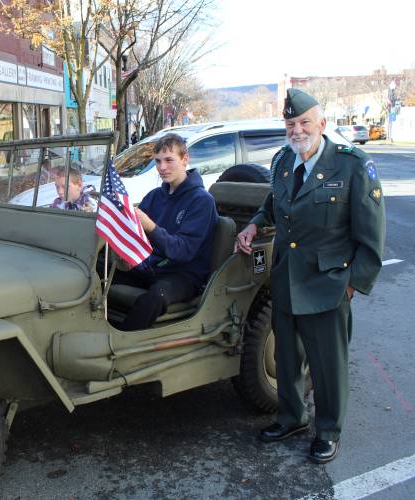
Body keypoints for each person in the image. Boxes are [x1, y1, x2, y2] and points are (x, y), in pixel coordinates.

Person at [235, 88, 385, 464]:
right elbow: (274, 201)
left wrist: (353, 283)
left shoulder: (351, 165)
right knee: (287, 357)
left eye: (304, 122)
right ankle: (292, 417)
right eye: (290, 124)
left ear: (322, 124)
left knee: (327, 364)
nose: (297, 130)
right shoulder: (284, 160)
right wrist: (255, 225)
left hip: (329, 282)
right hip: (286, 278)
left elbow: (371, 234)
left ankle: (329, 430)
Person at [112, 133, 218, 331]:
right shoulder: (155, 196)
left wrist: (150, 227)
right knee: (99, 276)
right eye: (158, 161)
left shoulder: (202, 201)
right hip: (152, 266)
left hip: (184, 274)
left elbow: (184, 251)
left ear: (185, 159)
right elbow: (135, 235)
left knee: (155, 297)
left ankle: (123, 343)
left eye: (169, 160)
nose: (162, 167)